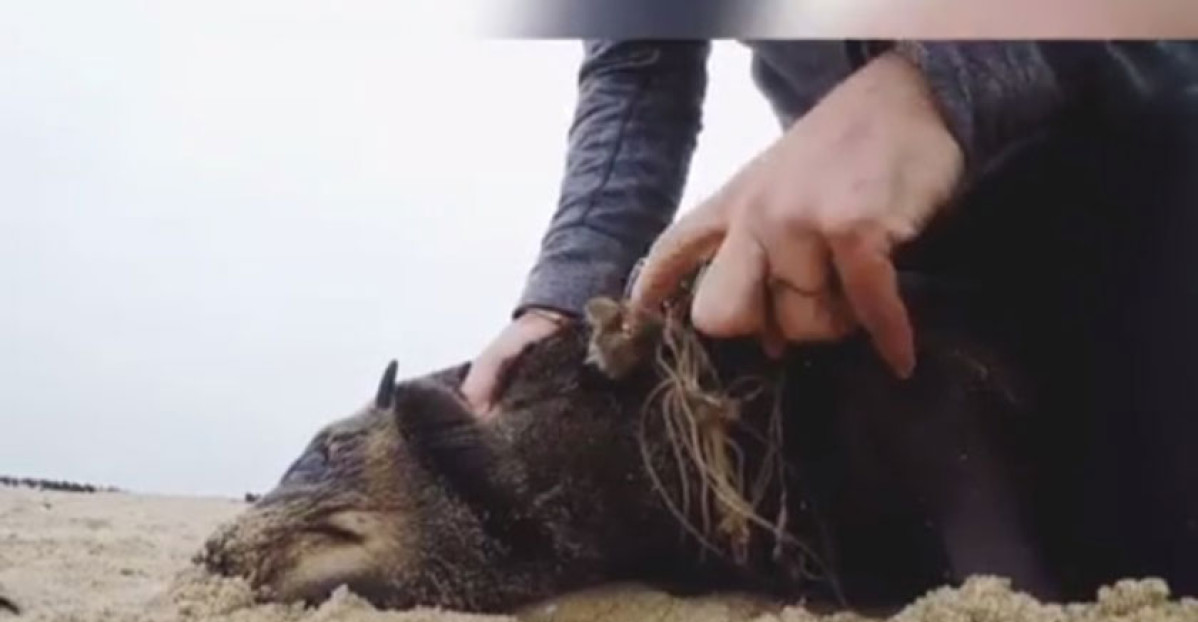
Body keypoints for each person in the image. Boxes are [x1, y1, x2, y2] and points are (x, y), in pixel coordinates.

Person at [460, 40, 1198, 415]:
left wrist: (941, 82)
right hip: (864, 258)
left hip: (1138, 149)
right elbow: (639, 67)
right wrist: (563, 298)